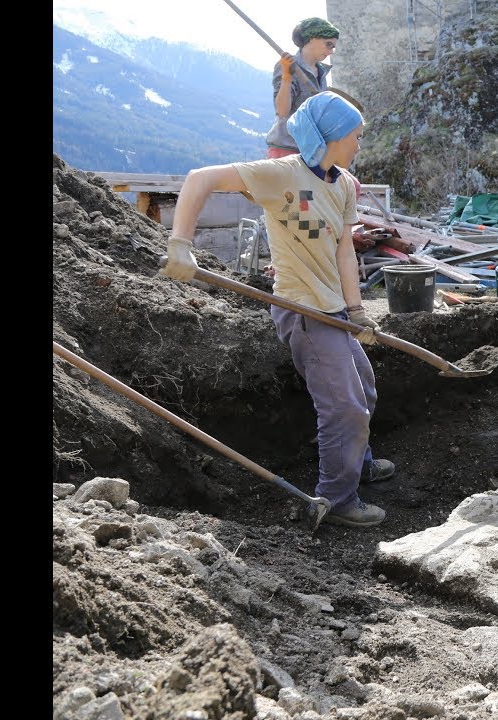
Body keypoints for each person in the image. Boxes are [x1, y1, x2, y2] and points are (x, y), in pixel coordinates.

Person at [162, 91, 396, 528]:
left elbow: (345, 250)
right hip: (304, 311)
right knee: (343, 406)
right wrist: (180, 244)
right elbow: (199, 178)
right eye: (355, 136)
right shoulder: (281, 175)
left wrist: (357, 309)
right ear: (328, 136)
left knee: (363, 390)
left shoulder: (343, 184)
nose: (359, 145)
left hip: (335, 311)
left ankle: (357, 463)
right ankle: (338, 498)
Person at [266, 17, 340, 159]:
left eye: (333, 47)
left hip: (311, 150)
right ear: (312, 38)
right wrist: (287, 76)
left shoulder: (322, 72)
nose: (331, 51)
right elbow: (282, 111)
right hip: (286, 150)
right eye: (328, 44)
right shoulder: (287, 66)